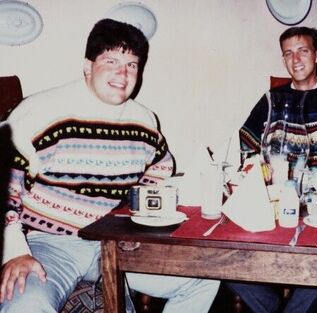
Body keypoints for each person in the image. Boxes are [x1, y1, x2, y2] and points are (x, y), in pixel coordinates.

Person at [0, 19, 219, 313]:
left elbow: (160, 168)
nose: (122, 73)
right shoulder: (39, 112)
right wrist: (14, 252)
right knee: (23, 305)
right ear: (88, 66)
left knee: (204, 278)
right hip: (52, 246)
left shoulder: (145, 122)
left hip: (116, 244)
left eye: (132, 65)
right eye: (111, 60)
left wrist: (135, 220)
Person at [228, 26, 317, 313]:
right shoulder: (271, 100)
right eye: (288, 53)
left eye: (303, 51)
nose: (295, 59)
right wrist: (252, 174)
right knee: (222, 256)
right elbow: (244, 149)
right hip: (273, 210)